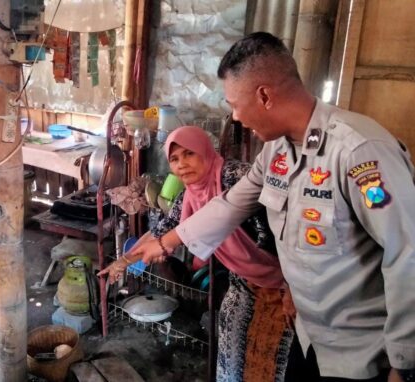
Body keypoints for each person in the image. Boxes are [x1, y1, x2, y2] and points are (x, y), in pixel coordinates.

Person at [123, 32, 415, 382]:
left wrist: (404, 362)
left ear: (264, 95)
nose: (235, 115)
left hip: (364, 353)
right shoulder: (276, 153)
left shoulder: (358, 151)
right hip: (308, 337)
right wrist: (166, 241)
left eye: (234, 103)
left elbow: (407, 255)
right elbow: (230, 205)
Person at [99, 126, 296, 381]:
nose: (182, 165)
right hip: (244, 281)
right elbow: (161, 233)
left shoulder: (236, 177)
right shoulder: (189, 196)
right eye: (174, 159)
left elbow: (292, 225)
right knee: (230, 353)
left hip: (286, 281)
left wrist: (295, 283)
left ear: (206, 151)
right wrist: (123, 261)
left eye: (189, 154)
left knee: (271, 359)